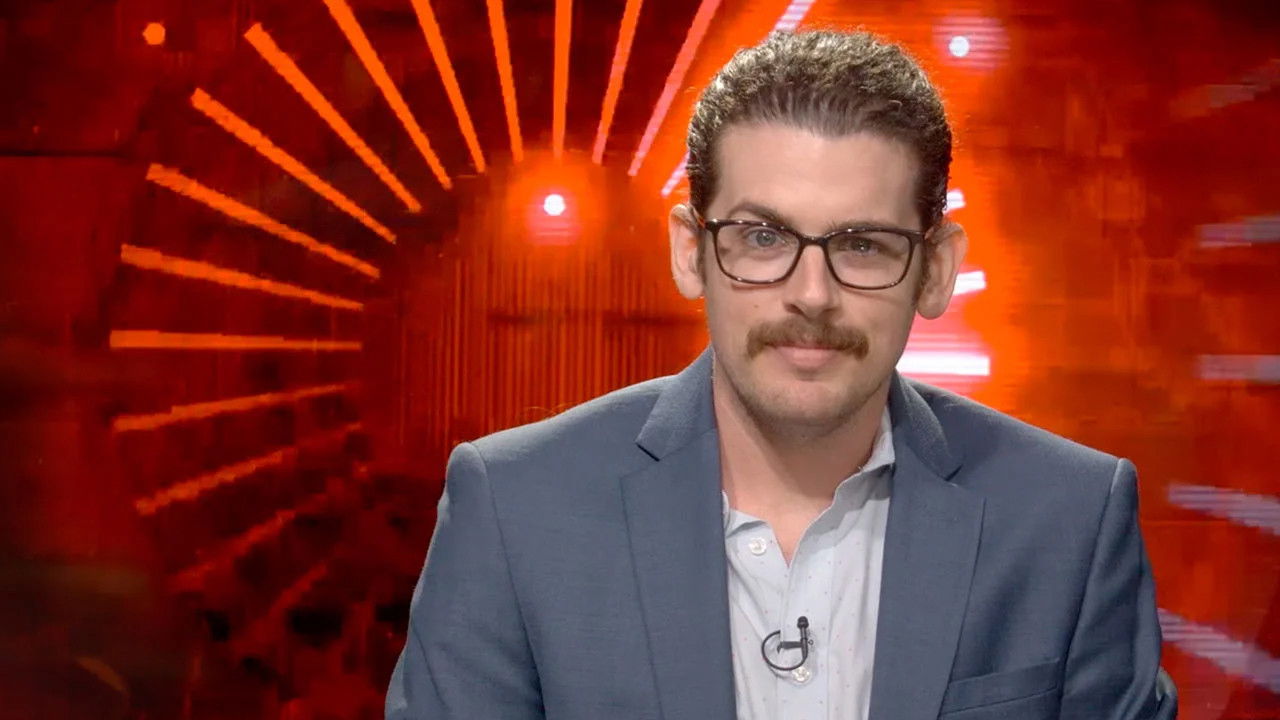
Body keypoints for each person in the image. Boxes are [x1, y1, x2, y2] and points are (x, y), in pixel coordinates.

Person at [386, 29, 1176, 720]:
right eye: (764, 238)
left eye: (862, 245)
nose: (812, 294)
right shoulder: (517, 510)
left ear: (935, 270)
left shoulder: (1068, 520)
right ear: (691, 252)